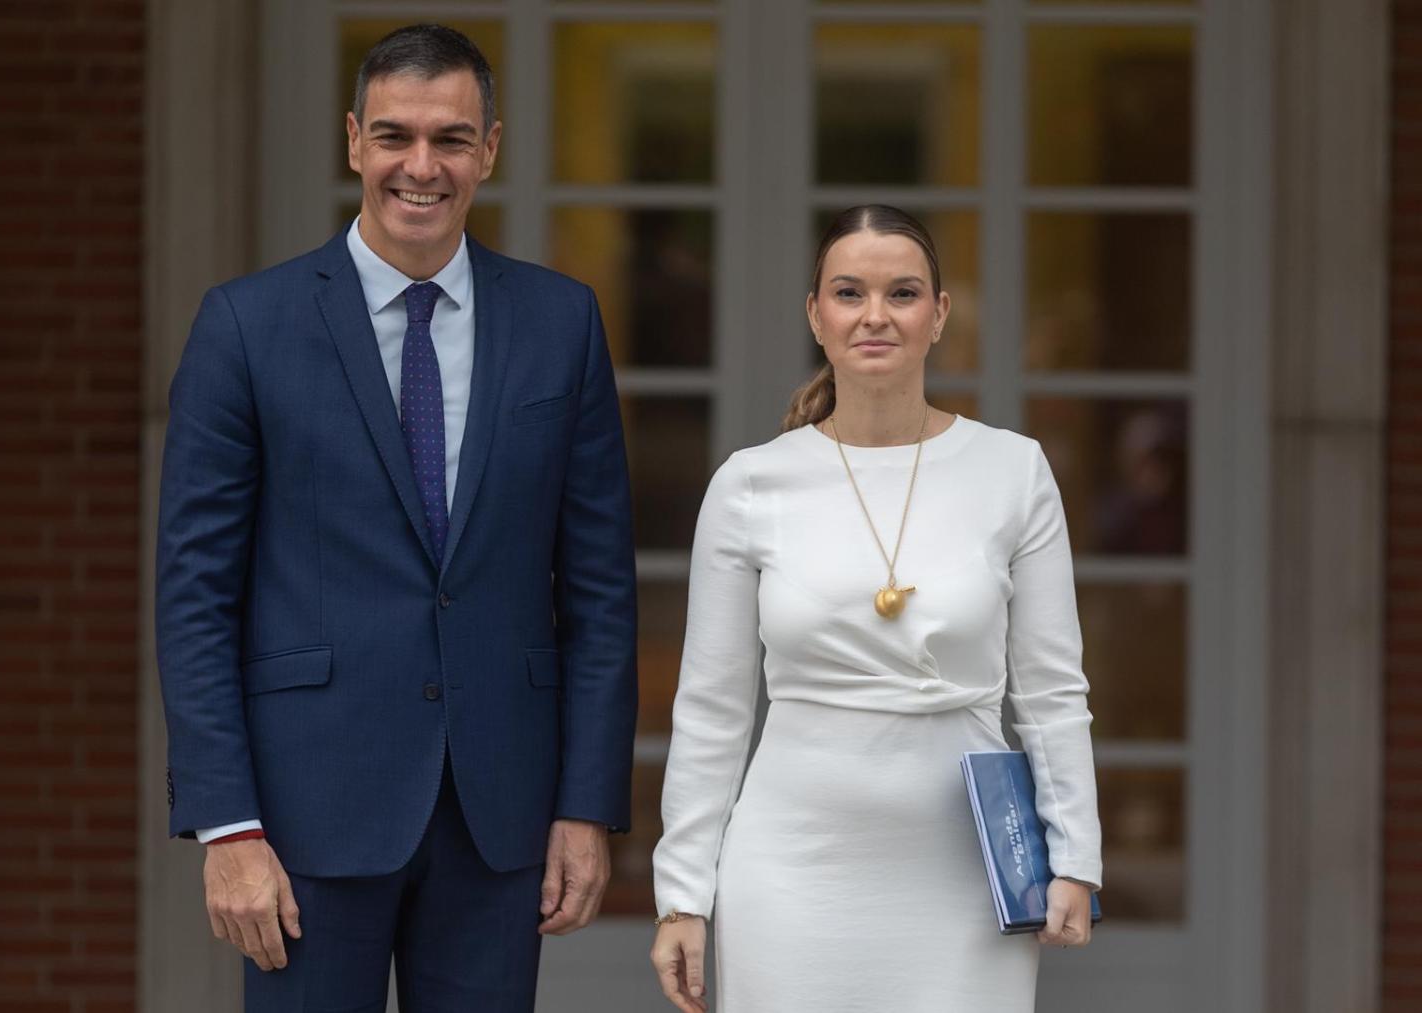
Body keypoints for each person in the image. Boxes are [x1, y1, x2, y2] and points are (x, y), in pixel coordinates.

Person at [154, 23, 638, 1012]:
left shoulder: (561, 323)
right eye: (395, 137)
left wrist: (586, 805)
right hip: (301, 817)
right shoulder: (246, 324)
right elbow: (194, 595)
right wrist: (228, 826)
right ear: (352, 143)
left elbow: (599, 590)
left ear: (490, 150)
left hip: (498, 813)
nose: (422, 166)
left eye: (452, 139)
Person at [648, 205, 1101, 1011]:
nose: (876, 315)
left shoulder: (1013, 470)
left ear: (940, 315)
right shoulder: (751, 483)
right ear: (815, 314)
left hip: (966, 864)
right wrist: (684, 893)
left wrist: (1074, 855)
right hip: (791, 864)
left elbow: (1050, 687)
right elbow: (712, 707)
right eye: (849, 292)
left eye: (903, 293)